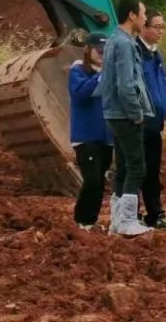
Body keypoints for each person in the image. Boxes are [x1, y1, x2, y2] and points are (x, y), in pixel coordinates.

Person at [101, 0, 155, 237]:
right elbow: (126, 85)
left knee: (123, 167)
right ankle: (128, 221)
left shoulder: (114, 40)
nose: (145, 18)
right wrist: (136, 114)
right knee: (137, 166)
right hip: (125, 115)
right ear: (132, 16)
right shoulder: (124, 44)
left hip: (114, 113)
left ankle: (116, 221)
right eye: (143, 14)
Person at [136, 9, 166, 231]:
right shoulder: (135, 52)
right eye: (157, 27)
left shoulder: (155, 54)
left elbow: (164, 82)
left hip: (155, 122)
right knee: (136, 170)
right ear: (144, 27)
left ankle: (155, 214)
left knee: (152, 170)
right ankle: (132, 215)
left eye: (163, 27)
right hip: (139, 121)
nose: (161, 31)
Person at [68, 33, 114, 230]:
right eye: (99, 51)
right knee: (92, 179)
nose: (102, 55)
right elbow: (81, 92)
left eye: (106, 52)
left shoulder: (110, 72)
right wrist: (102, 76)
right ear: (88, 49)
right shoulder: (78, 70)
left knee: (100, 180)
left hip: (106, 136)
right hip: (86, 136)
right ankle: (81, 220)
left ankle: (90, 221)